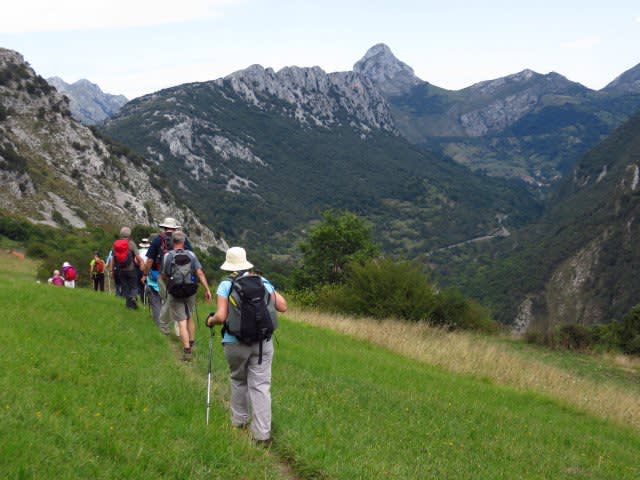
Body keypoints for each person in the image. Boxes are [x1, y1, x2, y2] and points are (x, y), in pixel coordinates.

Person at [206, 247, 287, 444]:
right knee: (260, 385)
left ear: (228, 265)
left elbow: (222, 316)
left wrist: (210, 321)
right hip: (262, 343)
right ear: (246, 262)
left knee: (238, 380)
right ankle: (261, 435)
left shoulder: (225, 285)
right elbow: (283, 306)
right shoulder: (262, 281)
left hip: (235, 342)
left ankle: (239, 422)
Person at [160, 230, 211, 360]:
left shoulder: (168, 256)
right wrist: (207, 289)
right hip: (190, 289)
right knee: (189, 316)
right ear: (183, 242)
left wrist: (168, 284)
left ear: (173, 242)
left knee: (181, 321)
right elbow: (199, 273)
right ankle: (192, 342)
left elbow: (164, 274)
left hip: (175, 290)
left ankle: (187, 351)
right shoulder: (191, 255)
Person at [143, 217, 193, 335]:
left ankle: (163, 327)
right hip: (179, 276)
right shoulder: (182, 240)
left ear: (164, 227)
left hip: (160, 275)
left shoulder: (157, 240)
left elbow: (150, 260)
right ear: (175, 228)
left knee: (162, 300)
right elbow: (191, 256)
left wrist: (145, 274)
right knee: (177, 300)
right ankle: (179, 327)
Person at [112, 227, 144, 309]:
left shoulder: (116, 244)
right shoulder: (131, 243)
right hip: (131, 269)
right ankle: (133, 297)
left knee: (125, 287)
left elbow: (113, 258)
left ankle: (128, 305)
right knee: (134, 286)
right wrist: (142, 264)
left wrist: (112, 270)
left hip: (121, 269)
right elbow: (137, 256)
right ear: (129, 234)